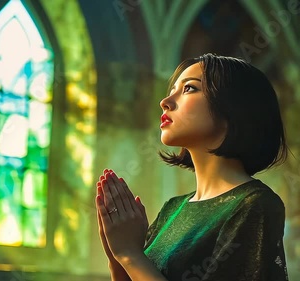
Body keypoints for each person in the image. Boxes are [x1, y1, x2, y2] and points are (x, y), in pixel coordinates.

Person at [95, 53, 289, 281]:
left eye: (189, 89)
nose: (165, 102)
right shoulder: (172, 209)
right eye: (173, 89)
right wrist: (116, 257)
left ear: (234, 109)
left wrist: (130, 255)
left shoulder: (255, 205)